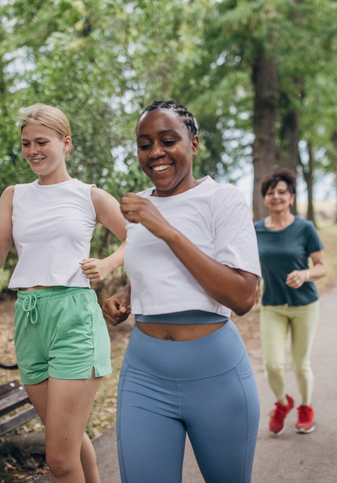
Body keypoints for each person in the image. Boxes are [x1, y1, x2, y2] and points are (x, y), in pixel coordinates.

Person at [102, 100, 261, 483]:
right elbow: (159, 271)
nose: (155, 152)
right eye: (144, 144)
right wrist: (127, 294)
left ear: (194, 144)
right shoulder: (141, 207)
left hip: (215, 374)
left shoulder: (222, 200)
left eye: (168, 140)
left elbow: (242, 297)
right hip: (145, 372)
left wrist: (168, 230)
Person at [0, 103, 127, 483]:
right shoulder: (14, 195)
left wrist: (108, 264)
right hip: (29, 318)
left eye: (41, 141)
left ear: (66, 143)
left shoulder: (89, 196)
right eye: (26, 143)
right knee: (70, 443)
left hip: (74, 316)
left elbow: (140, 239)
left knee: (58, 460)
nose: (33, 151)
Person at [254, 168, 327, 435]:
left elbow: (322, 266)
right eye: (271, 192)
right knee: (272, 364)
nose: (276, 196)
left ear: (292, 197)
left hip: (305, 306)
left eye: (282, 192)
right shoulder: (255, 231)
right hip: (272, 304)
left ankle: (306, 407)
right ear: (265, 199)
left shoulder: (305, 228)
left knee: (300, 364)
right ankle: (283, 403)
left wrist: (305, 274)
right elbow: (248, 266)